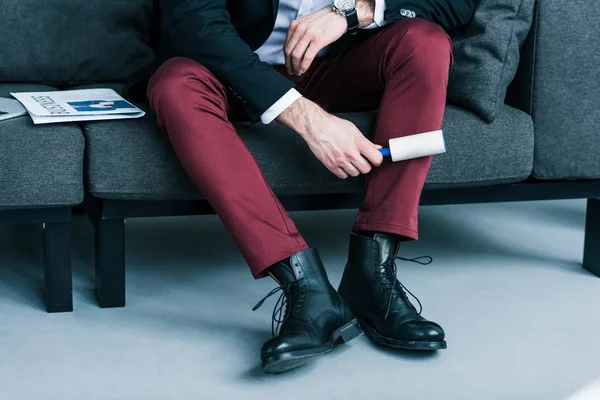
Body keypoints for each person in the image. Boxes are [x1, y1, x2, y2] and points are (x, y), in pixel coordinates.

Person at [144, 0, 475, 374]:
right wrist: (307, 118)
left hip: (342, 63)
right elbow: (194, 21)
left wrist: (356, 11)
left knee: (424, 41)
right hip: (232, 72)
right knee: (174, 84)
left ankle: (373, 272)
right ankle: (309, 290)